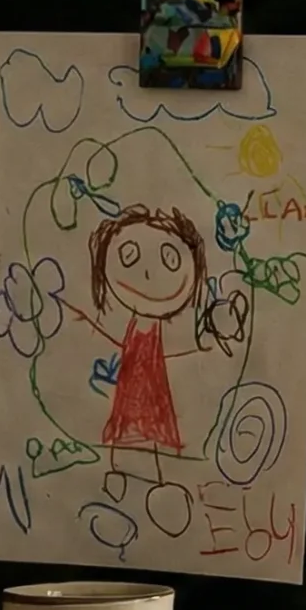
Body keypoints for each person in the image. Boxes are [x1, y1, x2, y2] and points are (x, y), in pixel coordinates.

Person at [69, 205, 211, 513]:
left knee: (154, 425)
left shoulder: (156, 331)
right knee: (124, 422)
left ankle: (155, 479)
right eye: (129, 255)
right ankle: (118, 471)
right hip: (131, 381)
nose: (148, 273)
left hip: (152, 382)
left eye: (170, 259)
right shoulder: (134, 327)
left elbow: (164, 352)